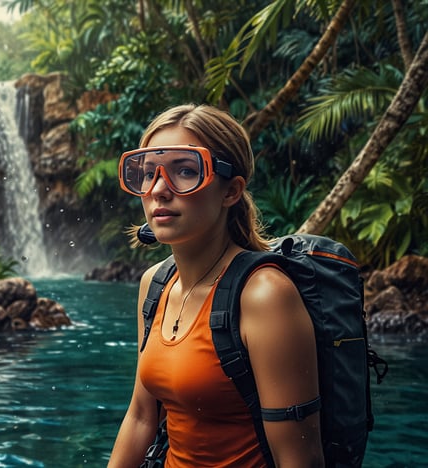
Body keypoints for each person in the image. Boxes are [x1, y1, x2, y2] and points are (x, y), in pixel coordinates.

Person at [108, 104, 324, 467]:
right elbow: (141, 416)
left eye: (186, 171)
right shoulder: (155, 285)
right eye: (147, 174)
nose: (159, 189)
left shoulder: (264, 296)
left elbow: (299, 458)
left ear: (231, 191)